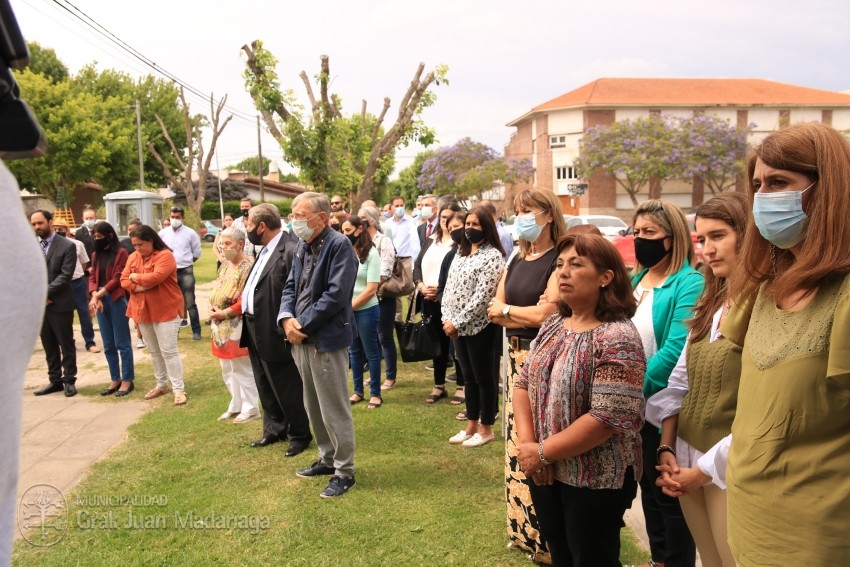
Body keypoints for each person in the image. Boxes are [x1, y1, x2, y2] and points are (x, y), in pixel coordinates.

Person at [699, 123, 850, 564]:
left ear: (829, 189)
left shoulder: (843, 295)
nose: (763, 197)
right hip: (747, 519)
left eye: (779, 182)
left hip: (817, 535)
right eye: (757, 185)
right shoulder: (764, 290)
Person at [514, 233, 646, 567]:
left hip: (595, 480)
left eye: (576, 264)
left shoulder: (618, 337)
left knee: (592, 559)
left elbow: (606, 419)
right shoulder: (554, 324)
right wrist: (531, 449)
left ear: (606, 277)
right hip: (546, 471)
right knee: (561, 556)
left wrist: (542, 452)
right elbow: (522, 383)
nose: (563, 272)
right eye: (560, 264)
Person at [647, 192, 748, 567]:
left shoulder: (763, 306)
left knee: (731, 560)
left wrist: (702, 472)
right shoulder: (712, 302)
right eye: (702, 239)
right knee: (709, 558)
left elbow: (759, 410)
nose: (708, 249)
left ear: (747, 236)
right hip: (686, 457)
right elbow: (679, 384)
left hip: (727, 466)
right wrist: (667, 449)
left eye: (718, 236)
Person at [486, 188, 568, 562]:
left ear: (548, 214)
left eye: (528, 210)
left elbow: (547, 315)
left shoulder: (558, 258)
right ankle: (523, 533)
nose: (520, 217)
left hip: (544, 360)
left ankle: (549, 540)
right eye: (517, 211)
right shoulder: (517, 257)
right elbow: (494, 309)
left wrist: (511, 312)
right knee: (517, 442)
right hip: (514, 357)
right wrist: (518, 313)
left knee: (540, 441)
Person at [630, 199, 703, 567]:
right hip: (633, 406)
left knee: (667, 491)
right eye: (637, 231)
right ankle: (658, 560)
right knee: (646, 484)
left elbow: (675, 349)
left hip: (661, 405)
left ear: (672, 238)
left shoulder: (689, 283)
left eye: (650, 232)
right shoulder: (636, 278)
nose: (640, 238)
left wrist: (629, 390)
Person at [279, 192, 359, 498]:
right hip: (300, 338)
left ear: (321, 217)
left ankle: (344, 471)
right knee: (313, 405)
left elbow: (336, 296)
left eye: (300, 216)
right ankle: (327, 459)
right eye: (292, 215)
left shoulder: (339, 246)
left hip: (325, 340)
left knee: (333, 407)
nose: (294, 221)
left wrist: (302, 324)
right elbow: (290, 286)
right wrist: (286, 319)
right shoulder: (303, 244)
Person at [239, 204, 312, 454]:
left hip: (275, 328)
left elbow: (300, 290)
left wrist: (291, 323)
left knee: (286, 383)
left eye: (249, 224)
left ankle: (299, 434)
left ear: (262, 226)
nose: (247, 229)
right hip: (253, 325)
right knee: (264, 382)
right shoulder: (264, 249)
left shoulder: (290, 249)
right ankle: (274, 428)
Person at [442, 206, 506, 448]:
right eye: (467, 224)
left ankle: (486, 428)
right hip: (456, 328)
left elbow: (483, 296)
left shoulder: (493, 256)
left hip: (479, 326)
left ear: (486, 227)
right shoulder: (461, 252)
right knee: (468, 378)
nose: (469, 229)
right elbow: (449, 288)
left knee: (484, 378)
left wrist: (457, 321)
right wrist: (447, 319)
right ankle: (471, 425)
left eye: (475, 224)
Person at [122, 225, 188, 406]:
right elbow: (123, 280)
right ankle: (162, 384)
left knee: (169, 351)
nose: (137, 248)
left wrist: (135, 277)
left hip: (165, 309)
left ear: (151, 241)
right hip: (142, 310)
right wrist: (139, 286)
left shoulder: (165, 256)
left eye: (140, 244)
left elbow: (156, 277)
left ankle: (178, 389)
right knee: (154, 351)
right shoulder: (133, 257)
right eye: (134, 245)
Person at [208, 226, 261, 424]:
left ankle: (251, 407)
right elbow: (219, 288)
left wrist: (225, 312)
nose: (223, 247)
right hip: (220, 325)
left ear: (240, 244)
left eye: (227, 243)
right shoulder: (224, 265)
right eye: (221, 243)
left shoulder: (248, 266)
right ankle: (236, 404)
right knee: (227, 368)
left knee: (242, 368)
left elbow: (246, 299)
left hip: (237, 324)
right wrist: (213, 308)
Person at [414, 201, 463, 403]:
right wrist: (420, 285)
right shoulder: (431, 240)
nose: (445, 221)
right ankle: (439, 385)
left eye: (450, 218)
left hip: (450, 301)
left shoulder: (459, 243)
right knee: (437, 344)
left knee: (456, 344)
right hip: (428, 299)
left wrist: (440, 291)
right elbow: (417, 266)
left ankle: (461, 385)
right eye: (443, 217)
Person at [31, 210, 79, 398]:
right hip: (39, 306)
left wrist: (45, 293)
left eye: (40, 223)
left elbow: (65, 275)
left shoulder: (67, 245)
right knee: (48, 343)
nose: (37, 227)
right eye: (34, 224)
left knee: (65, 343)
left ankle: (69, 380)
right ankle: (55, 380)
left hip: (60, 303)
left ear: (50, 222)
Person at [87, 221, 135, 397]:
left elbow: (117, 278)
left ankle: (127, 379)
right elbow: (92, 277)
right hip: (100, 299)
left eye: (99, 236)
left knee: (122, 343)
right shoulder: (95, 254)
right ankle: (115, 378)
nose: (96, 239)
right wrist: (95, 295)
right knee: (108, 344)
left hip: (115, 299)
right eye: (94, 236)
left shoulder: (121, 253)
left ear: (109, 236)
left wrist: (98, 295)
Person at [342, 216, 383, 409]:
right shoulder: (345, 252)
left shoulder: (372, 254)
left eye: (348, 231)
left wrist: (349, 307)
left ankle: (375, 393)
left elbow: (371, 289)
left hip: (367, 310)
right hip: (349, 310)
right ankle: (358, 391)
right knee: (354, 352)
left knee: (371, 351)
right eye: (343, 231)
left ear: (359, 230)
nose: (344, 234)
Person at [358, 205, 399, 394]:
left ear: (371, 221)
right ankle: (375, 375)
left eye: (362, 217)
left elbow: (386, 270)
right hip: (366, 297)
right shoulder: (360, 242)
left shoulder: (384, 241)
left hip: (382, 296)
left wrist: (371, 286)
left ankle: (390, 376)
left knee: (384, 336)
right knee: (371, 337)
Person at [53, 220, 100, 353]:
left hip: (77, 282)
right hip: (61, 284)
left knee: (84, 312)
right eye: (55, 229)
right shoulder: (52, 246)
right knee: (65, 315)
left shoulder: (78, 244)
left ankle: (90, 342)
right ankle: (68, 343)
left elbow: (84, 263)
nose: (58, 231)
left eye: (61, 228)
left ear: (67, 230)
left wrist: (75, 273)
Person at [159, 205, 202, 340]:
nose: (174, 219)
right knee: (171, 303)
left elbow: (196, 252)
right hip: (169, 272)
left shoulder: (190, 233)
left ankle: (196, 331)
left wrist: (186, 262)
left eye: (177, 217)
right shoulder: (163, 234)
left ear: (182, 217)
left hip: (186, 270)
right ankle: (173, 332)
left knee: (190, 302)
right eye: (172, 217)